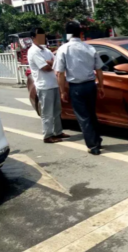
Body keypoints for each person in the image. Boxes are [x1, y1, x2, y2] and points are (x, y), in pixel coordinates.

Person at [54, 21, 105, 155]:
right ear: (80, 33)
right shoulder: (89, 48)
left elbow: (60, 73)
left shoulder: (64, 49)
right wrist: (101, 86)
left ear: (68, 34)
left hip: (76, 87)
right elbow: (99, 69)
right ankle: (97, 140)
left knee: (83, 117)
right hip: (90, 85)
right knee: (91, 114)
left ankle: (93, 145)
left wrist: (62, 91)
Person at [27, 27, 69, 143]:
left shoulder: (46, 51)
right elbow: (45, 68)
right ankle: (48, 135)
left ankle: (58, 132)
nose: (42, 38)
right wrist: (51, 64)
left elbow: (58, 64)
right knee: (47, 112)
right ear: (33, 38)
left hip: (54, 84)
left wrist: (51, 63)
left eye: (43, 35)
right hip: (44, 86)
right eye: (39, 35)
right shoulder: (33, 51)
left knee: (56, 111)